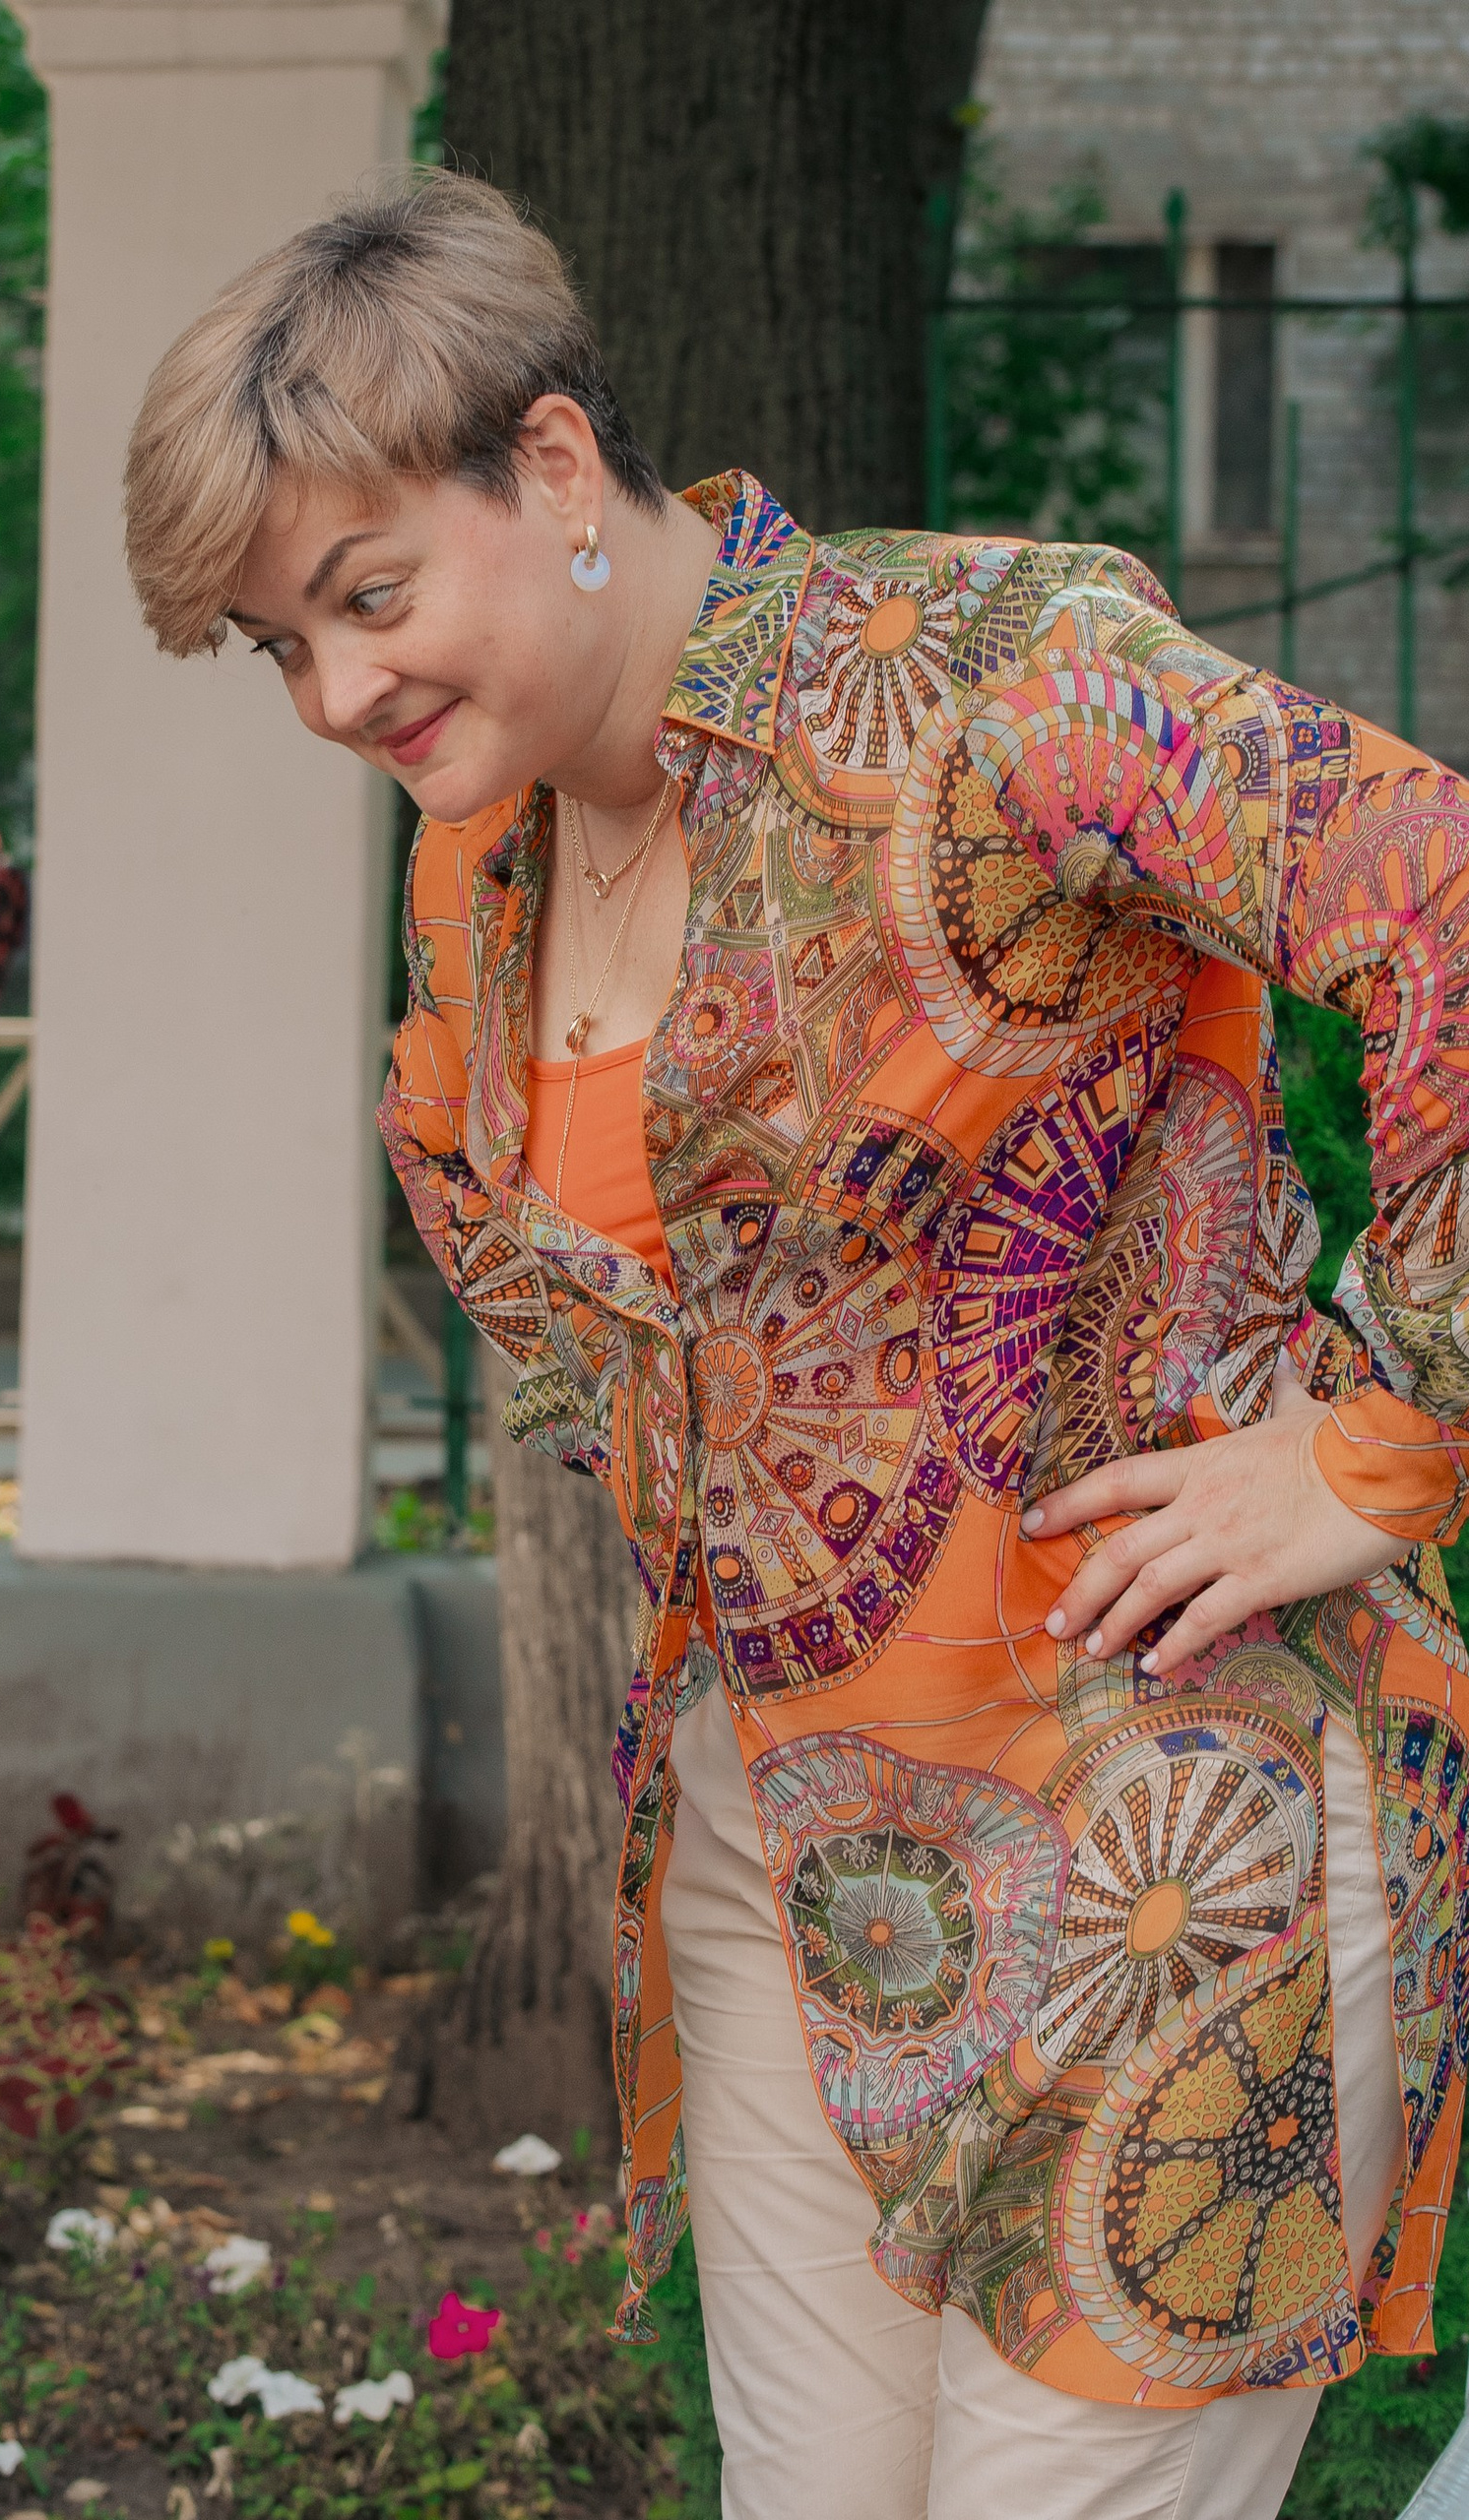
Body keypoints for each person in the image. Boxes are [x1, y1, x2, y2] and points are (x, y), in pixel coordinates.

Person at [122, 171, 1469, 2518]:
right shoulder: (485, 858)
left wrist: (1383, 1444)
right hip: (785, 1855)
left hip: (1165, 1837)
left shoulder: (989, 683)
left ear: (548, 466)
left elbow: (1441, 903)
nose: (334, 693)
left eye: (361, 596)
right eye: (276, 646)